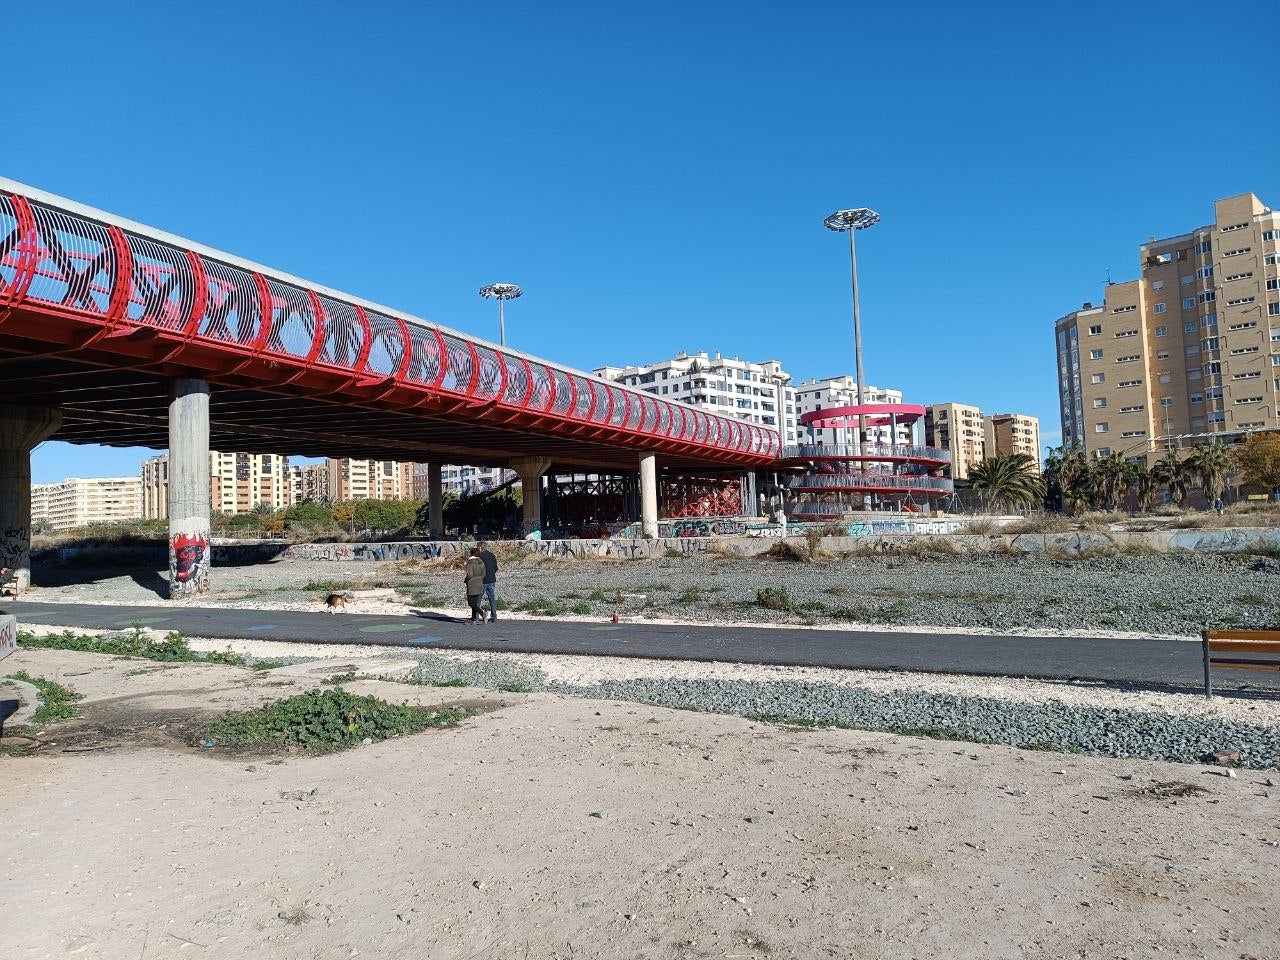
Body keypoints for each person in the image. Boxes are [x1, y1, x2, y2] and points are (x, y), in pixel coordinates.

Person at [463, 547, 486, 624]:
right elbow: (484, 574)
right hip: (479, 583)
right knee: (475, 602)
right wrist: (479, 579)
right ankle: (473, 618)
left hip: (472, 584)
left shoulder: (470, 562)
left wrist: (465, 580)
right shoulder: (481, 562)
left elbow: (470, 574)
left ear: (471, 553)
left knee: (471, 603)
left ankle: (482, 613)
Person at [478, 541, 499, 623]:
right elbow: (496, 568)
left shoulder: (479, 556)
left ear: (480, 547)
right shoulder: (492, 555)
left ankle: (477, 616)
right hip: (492, 579)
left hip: (482, 580)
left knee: (478, 599)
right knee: (492, 598)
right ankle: (494, 616)